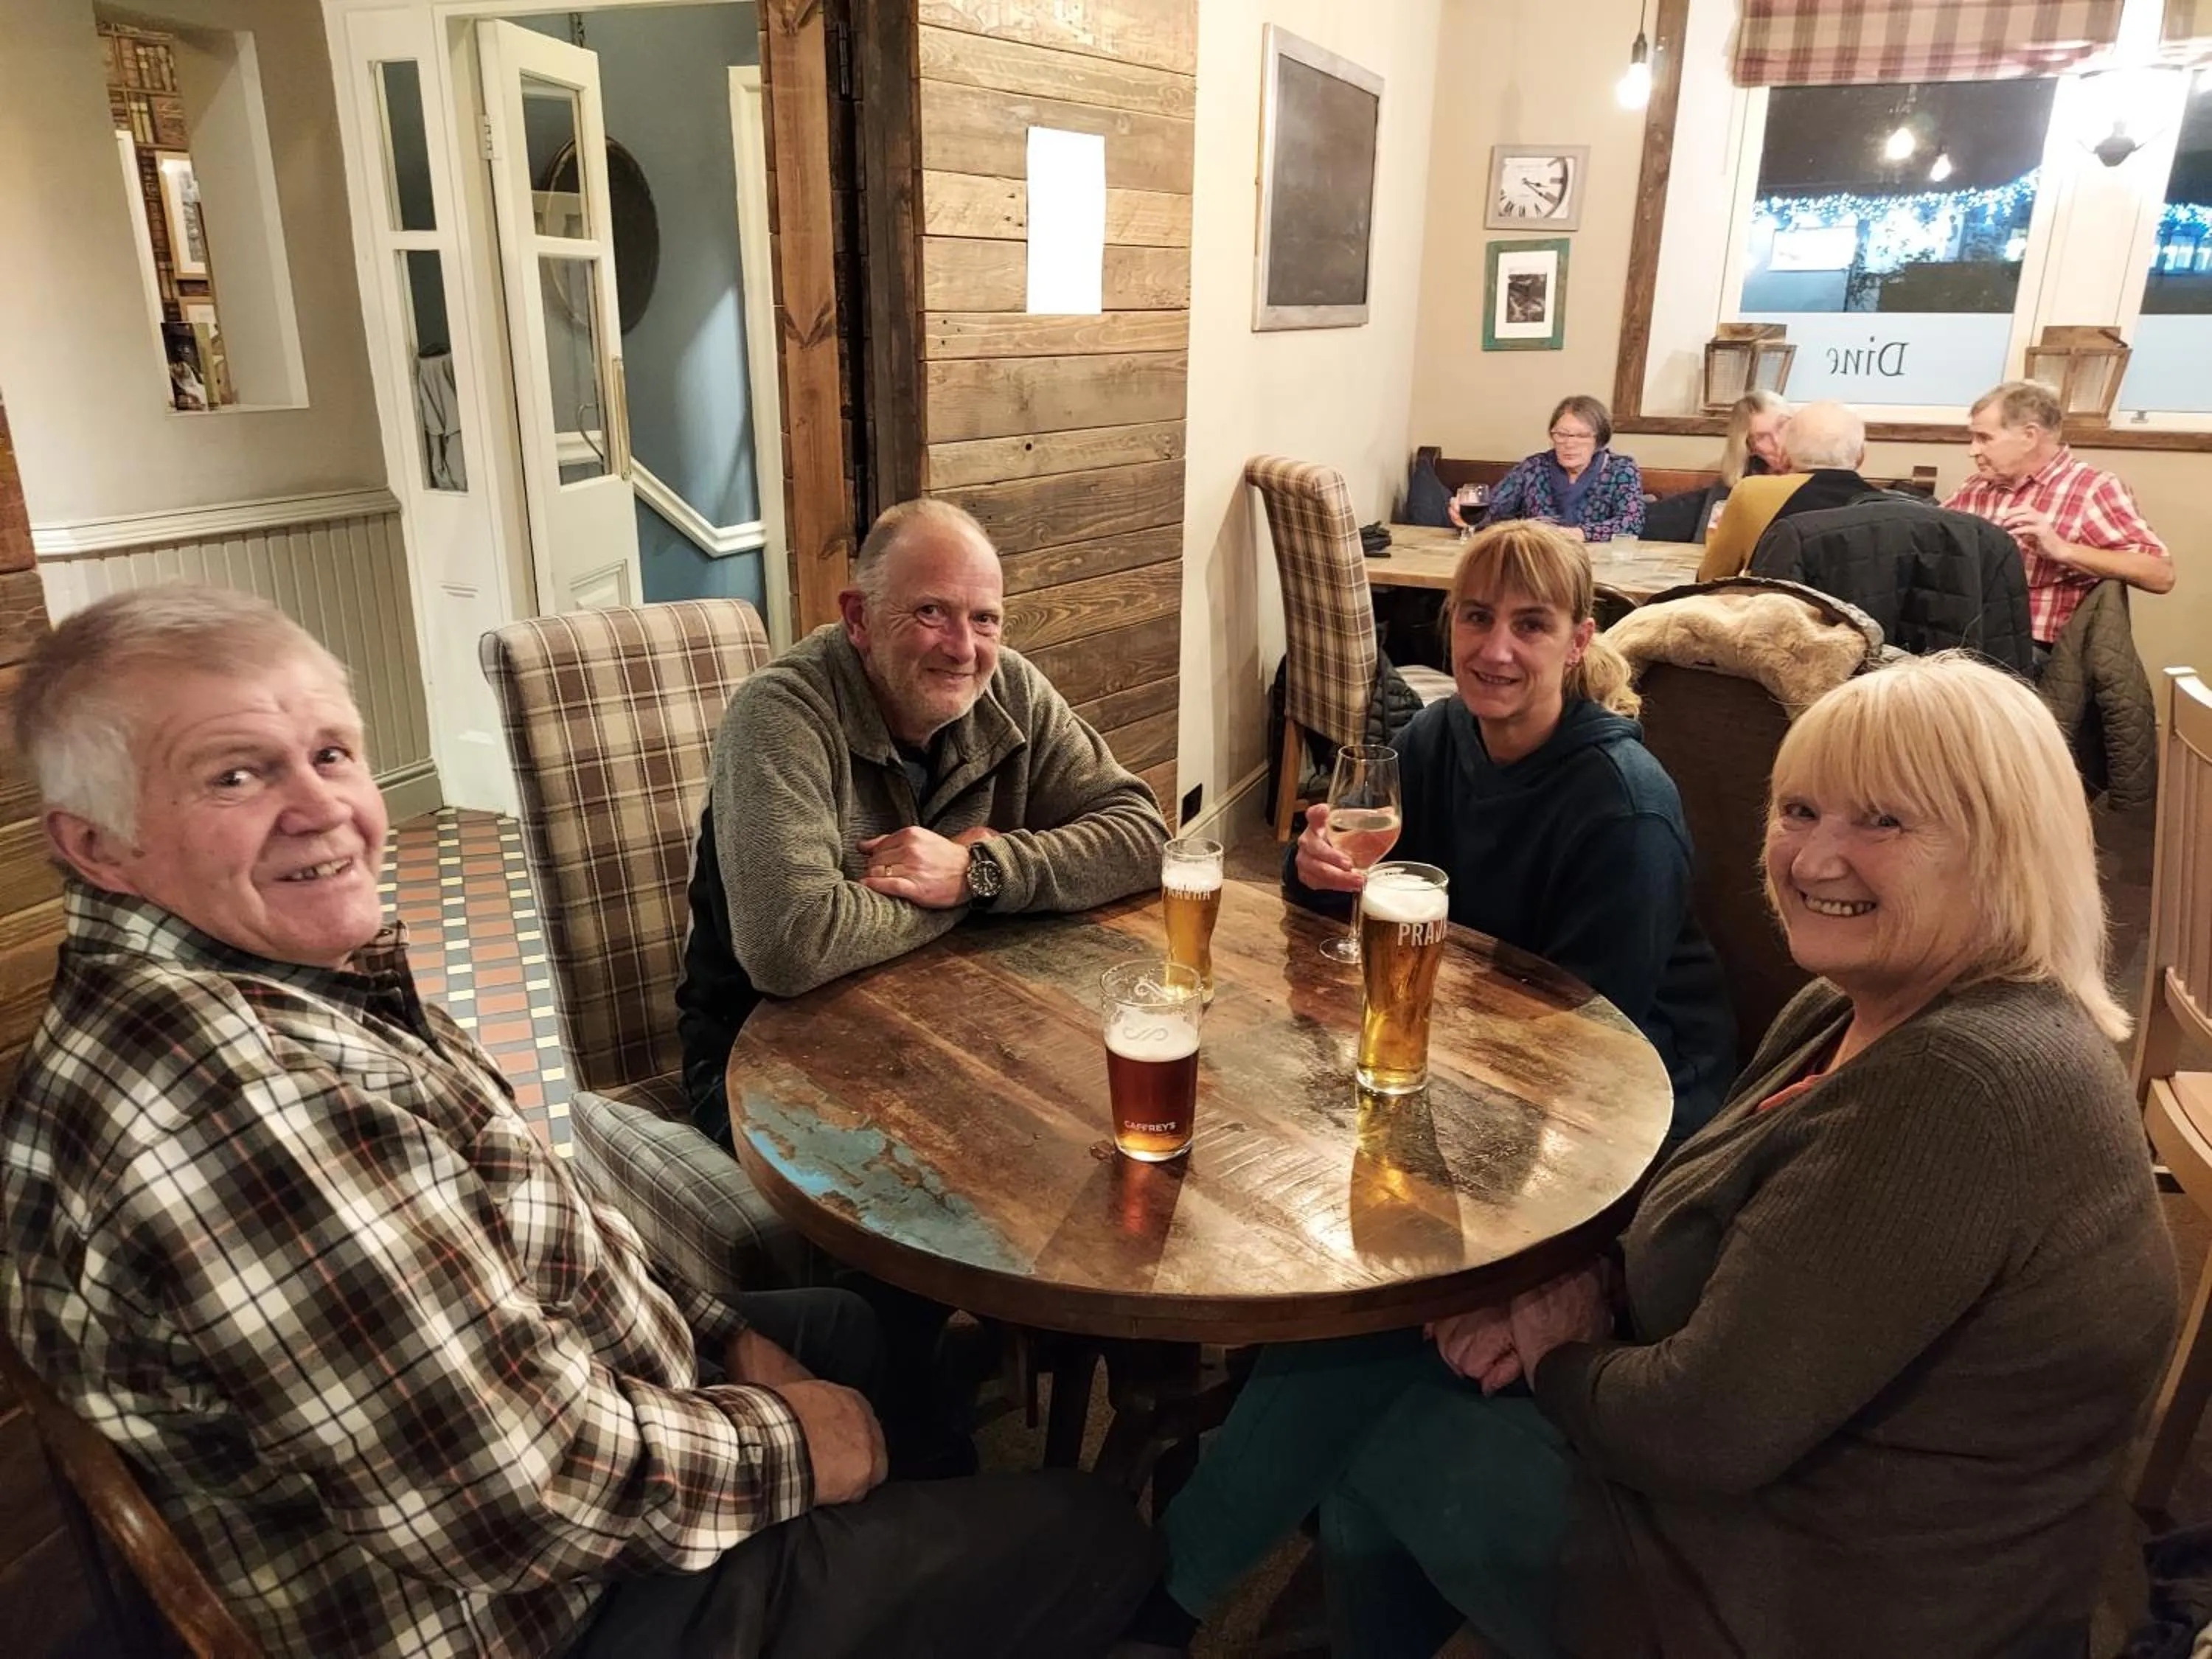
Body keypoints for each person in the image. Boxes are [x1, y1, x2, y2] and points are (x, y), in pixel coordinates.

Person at [0, 586, 1159, 1659]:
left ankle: (910, 1561)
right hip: (543, 1613)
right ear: (95, 842)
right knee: (1096, 1528)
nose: (321, 808)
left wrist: (709, 1333)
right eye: (233, 776)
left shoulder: (283, 981)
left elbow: (528, 1237)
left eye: (331, 752)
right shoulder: (235, 1109)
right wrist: (796, 1444)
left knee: (845, 1330)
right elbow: (526, 1496)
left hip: (558, 1419)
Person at [1123, 652, 2174, 1659]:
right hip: (1772, 1486)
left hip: (1807, 1597)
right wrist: (1588, 1282)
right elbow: (1754, 1254)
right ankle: (1182, 1606)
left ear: (2004, 846)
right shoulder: (1855, 1006)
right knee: (1404, 1320)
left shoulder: (1968, 1089)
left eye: (1884, 820)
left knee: (1381, 1416)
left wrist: (1553, 1346)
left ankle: (1154, 1605)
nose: (1812, 858)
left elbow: (1699, 1432)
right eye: (1799, 808)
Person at [679, 496, 1167, 1145]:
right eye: (931, 612)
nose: (963, 648)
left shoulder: (1011, 689)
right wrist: (970, 892)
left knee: (1077, 1159)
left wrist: (978, 871)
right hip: (765, 1069)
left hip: (952, 1036)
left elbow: (1142, 835)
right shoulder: (781, 714)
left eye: (985, 619)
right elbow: (790, 946)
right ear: (859, 618)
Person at [1944, 378, 2174, 647]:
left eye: (1984, 438)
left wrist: (2062, 549)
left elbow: (2161, 575)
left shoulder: (2092, 488)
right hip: (1964, 639)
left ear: (2029, 437)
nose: (1973, 451)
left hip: (2034, 653)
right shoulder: (1975, 486)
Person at [1697, 400, 1887, 581]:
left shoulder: (1751, 493)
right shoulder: (1894, 512)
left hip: (1785, 612)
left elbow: (1710, 579)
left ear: (1786, 454)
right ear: (1861, 456)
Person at [1464, 395, 1645, 543]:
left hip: (1601, 565)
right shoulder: (1533, 467)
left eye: (1581, 436)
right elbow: (1493, 510)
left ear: (1599, 440)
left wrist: (1579, 534)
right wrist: (1467, 517)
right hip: (1538, 562)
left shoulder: (1621, 469)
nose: (1569, 443)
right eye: (1561, 434)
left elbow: (1630, 523)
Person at [1641, 391, 1790, 544]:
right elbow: (1707, 542)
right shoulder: (1740, 484)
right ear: (1749, 447)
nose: (1778, 442)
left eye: (1782, 427)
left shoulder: (1813, 478)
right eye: (1761, 437)